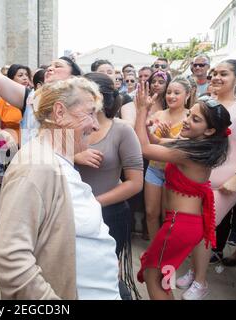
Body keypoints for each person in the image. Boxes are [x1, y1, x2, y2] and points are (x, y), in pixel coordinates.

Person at [0, 77, 120, 299]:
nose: (96, 125)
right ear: (59, 113)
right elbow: (10, 258)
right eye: (90, 113)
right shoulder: (36, 167)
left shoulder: (58, 161)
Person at [135, 81, 232, 300]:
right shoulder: (195, 146)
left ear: (209, 130)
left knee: (155, 277)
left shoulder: (189, 153)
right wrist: (149, 125)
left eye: (195, 119)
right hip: (184, 224)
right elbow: (157, 141)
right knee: (159, 276)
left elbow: (144, 149)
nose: (186, 121)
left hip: (180, 224)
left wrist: (140, 111)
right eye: (190, 115)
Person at [176, 59, 236, 300]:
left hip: (226, 182)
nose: (216, 77)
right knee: (195, 229)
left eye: (223, 74)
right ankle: (195, 272)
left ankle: (201, 282)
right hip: (198, 176)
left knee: (202, 229)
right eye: (214, 73)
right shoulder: (206, 103)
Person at [0, 32, 83, 150]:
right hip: (31, 170)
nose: (50, 68)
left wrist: (77, 154)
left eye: (58, 66)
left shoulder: (83, 107)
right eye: (50, 65)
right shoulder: (31, 98)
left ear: (73, 77)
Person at [76, 72, 143, 299]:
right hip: (73, 215)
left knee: (104, 277)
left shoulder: (122, 130)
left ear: (99, 98)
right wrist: (75, 155)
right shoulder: (71, 127)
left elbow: (135, 183)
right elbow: (45, 156)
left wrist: (94, 202)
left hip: (109, 214)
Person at [144, 77, 190, 241]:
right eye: (169, 92)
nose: (171, 96)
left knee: (167, 216)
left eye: (177, 93)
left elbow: (183, 146)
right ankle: (153, 250)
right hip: (154, 168)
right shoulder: (158, 114)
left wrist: (167, 136)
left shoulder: (190, 117)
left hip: (175, 171)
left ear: (187, 94)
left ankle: (165, 250)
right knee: (150, 213)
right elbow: (148, 141)